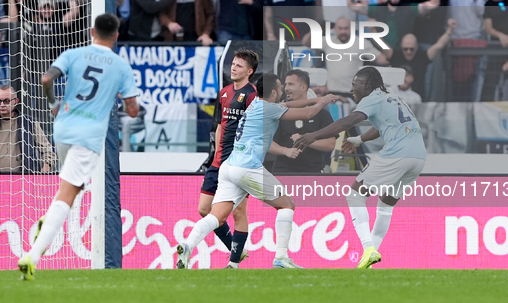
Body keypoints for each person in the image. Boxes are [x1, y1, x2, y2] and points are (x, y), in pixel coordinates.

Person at [17, 13, 139, 281]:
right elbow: (132, 110)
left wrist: (52, 105)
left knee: (73, 186)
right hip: (88, 135)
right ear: (116, 35)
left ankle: (46, 220)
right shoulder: (120, 67)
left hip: (62, 127)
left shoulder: (73, 53)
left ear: (91, 31)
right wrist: (123, 97)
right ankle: (32, 256)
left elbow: (47, 79)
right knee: (68, 195)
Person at [177, 74, 337, 269]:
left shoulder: (254, 103)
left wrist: (318, 99)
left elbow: (290, 104)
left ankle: (187, 245)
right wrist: (323, 103)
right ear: (273, 92)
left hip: (229, 167)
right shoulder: (269, 108)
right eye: (280, 87)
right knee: (286, 205)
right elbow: (307, 114)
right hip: (248, 168)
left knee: (216, 217)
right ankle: (281, 257)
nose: (282, 91)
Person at [293, 67, 426, 269]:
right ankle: (369, 260)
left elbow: (348, 121)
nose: (352, 89)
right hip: (418, 157)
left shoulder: (370, 98)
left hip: (397, 154)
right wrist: (359, 139)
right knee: (386, 205)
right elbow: (383, 126)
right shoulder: (391, 96)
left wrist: (314, 135)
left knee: (355, 195)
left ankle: (368, 249)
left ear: (365, 85)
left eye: (354, 85)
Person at [198, 49, 258, 268]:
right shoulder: (223, 93)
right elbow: (220, 126)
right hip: (218, 161)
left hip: (238, 163)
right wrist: (215, 155)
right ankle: (236, 248)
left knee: (239, 211)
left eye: (239, 65)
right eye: (232, 64)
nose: (233, 68)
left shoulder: (252, 96)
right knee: (204, 209)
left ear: (249, 71)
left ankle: (233, 263)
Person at [0, 85, 56, 173]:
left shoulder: (29, 123)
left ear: (15, 101)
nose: (2, 105)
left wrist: (46, 167)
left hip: (23, 181)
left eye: (6, 101)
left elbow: (47, 150)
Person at [270, 70, 336, 174]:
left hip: (313, 172)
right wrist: (285, 151)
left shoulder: (322, 114)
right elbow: (268, 142)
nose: (286, 88)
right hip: (283, 171)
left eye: (290, 84)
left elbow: (331, 144)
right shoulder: (279, 112)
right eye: (285, 84)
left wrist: (306, 141)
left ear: (303, 87)